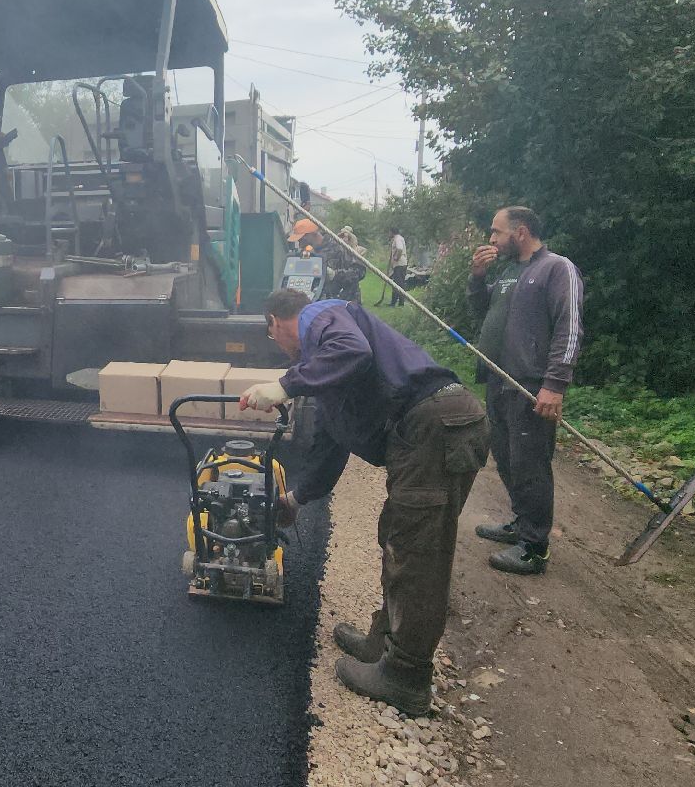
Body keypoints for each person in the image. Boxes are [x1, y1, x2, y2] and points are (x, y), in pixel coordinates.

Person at [240, 288, 490, 717]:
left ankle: (406, 677)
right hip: (425, 430)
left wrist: (283, 385)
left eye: (273, 337)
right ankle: (385, 643)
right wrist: (296, 499)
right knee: (398, 536)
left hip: (435, 424)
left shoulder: (321, 317)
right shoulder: (325, 362)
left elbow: (351, 350)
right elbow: (331, 442)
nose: (281, 348)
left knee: (418, 552)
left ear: (276, 321)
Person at [467, 206, 584, 576]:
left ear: (520, 232)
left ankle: (534, 547)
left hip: (530, 385)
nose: (491, 238)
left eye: (496, 231)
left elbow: (571, 327)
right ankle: (521, 524)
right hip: (499, 380)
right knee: (505, 456)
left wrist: (555, 385)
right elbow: (482, 313)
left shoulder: (556, 268)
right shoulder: (509, 272)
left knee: (530, 463)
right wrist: (477, 277)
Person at [387, 227, 411, 307]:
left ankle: (398, 303)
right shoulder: (398, 238)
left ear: (392, 232)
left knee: (398, 284)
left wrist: (396, 258)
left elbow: (400, 249)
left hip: (400, 264)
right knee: (397, 283)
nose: (388, 234)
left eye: (389, 232)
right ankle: (397, 302)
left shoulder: (397, 239)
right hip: (400, 264)